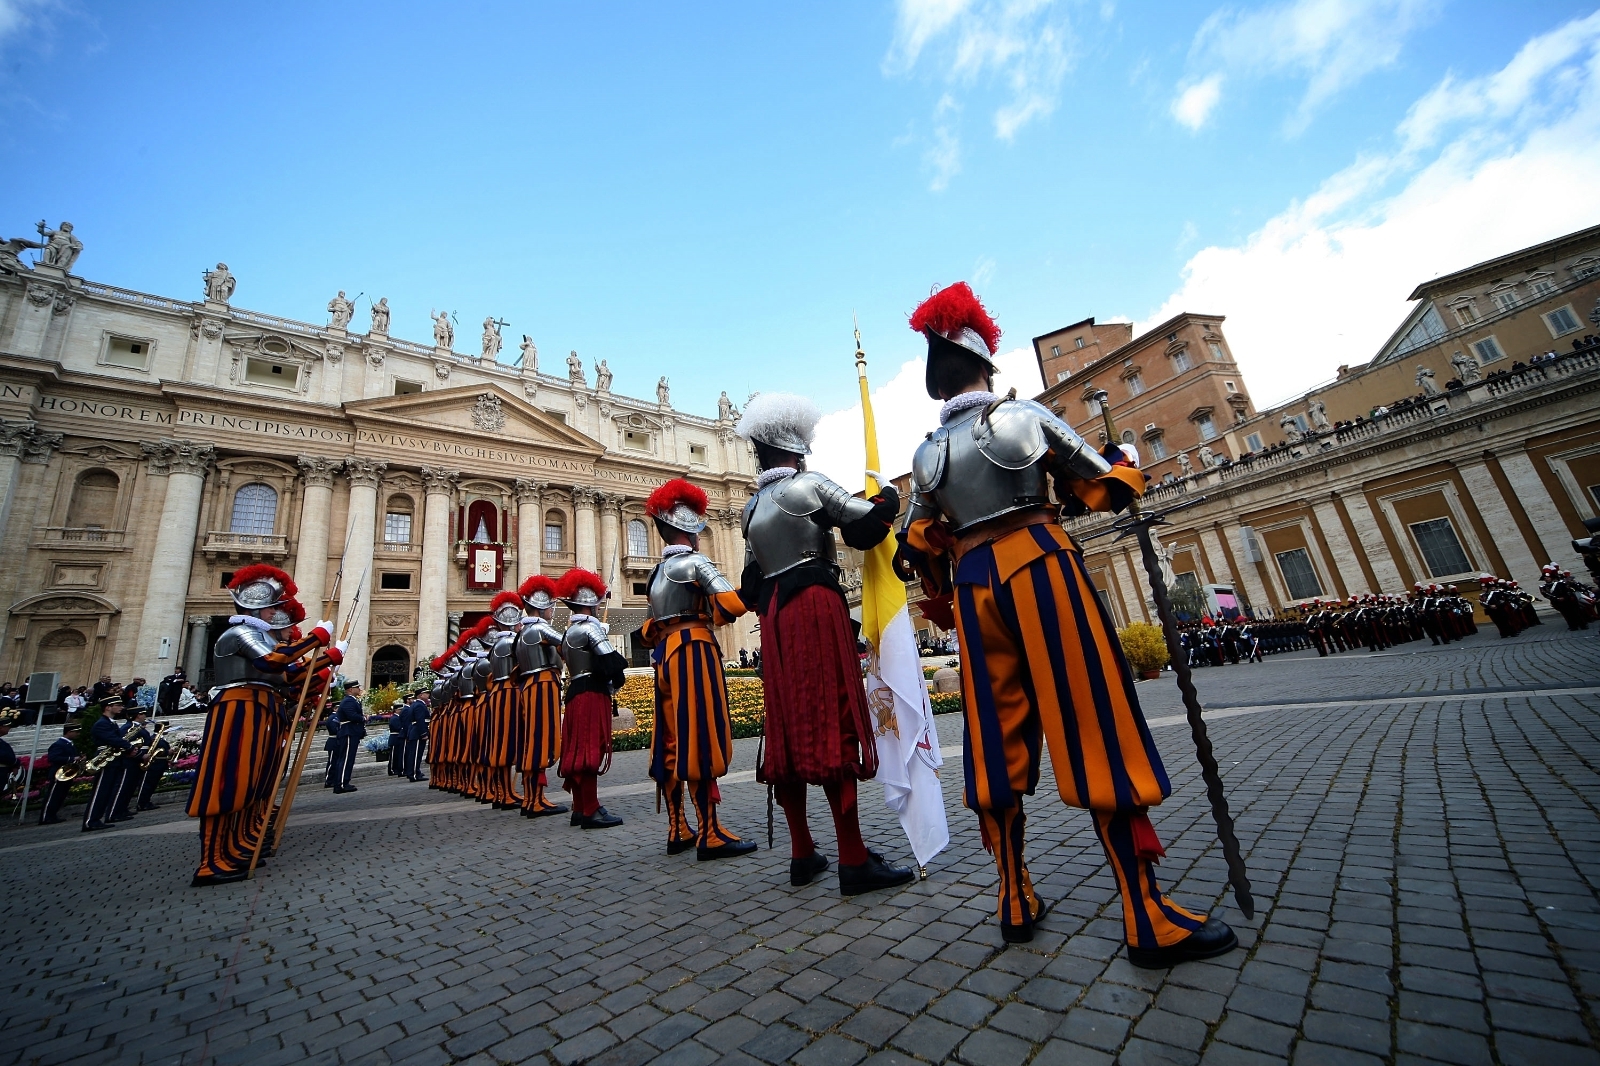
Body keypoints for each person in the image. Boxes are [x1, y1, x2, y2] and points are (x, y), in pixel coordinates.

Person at [895, 281, 1237, 963]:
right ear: (987, 363)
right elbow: (1101, 489)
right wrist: (1125, 467)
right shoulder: (1024, 418)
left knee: (995, 740)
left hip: (973, 589)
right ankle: (1144, 912)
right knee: (1094, 722)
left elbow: (917, 550)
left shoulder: (927, 455)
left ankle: (1013, 894)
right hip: (1041, 568)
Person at [734, 392, 914, 896]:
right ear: (797, 449)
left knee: (788, 727)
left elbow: (749, 585)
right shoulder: (808, 484)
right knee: (833, 718)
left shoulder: (751, 509)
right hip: (814, 605)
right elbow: (867, 524)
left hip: (773, 618)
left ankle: (801, 851)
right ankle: (853, 859)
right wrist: (891, 498)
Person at [189, 567, 342, 886]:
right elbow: (273, 662)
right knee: (229, 783)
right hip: (240, 708)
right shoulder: (240, 633)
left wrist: (326, 664)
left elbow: (288, 678)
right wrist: (317, 641)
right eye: (273, 608)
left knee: (252, 783)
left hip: (261, 707)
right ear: (255, 607)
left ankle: (234, 846)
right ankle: (211, 860)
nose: (277, 615)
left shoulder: (258, 635)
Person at [641, 478, 757, 860]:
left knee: (672, 740)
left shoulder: (656, 574)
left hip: (664, 655)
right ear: (690, 529)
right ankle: (709, 832)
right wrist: (753, 589)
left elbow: (647, 630)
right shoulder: (696, 561)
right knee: (702, 735)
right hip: (694, 649)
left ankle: (678, 826)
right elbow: (730, 606)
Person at [556, 569, 626, 829]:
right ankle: (591, 809)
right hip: (591, 692)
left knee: (576, 749)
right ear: (591, 607)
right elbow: (612, 664)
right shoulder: (589, 630)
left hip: (574, 691)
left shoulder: (568, 632)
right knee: (589, 750)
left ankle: (579, 807)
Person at [515, 575, 566, 815]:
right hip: (543, 685)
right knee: (541, 741)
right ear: (541, 607)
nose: (553, 611)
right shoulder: (540, 628)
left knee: (532, 740)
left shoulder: (522, 632)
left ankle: (532, 798)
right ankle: (534, 800)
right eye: (551, 606)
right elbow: (568, 642)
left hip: (530, 685)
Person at [82, 697, 132, 832]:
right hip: (104, 759)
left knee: (106, 791)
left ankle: (96, 819)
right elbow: (111, 739)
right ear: (108, 707)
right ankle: (90, 821)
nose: (121, 707)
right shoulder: (101, 723)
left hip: (113, 760)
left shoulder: (111, 723)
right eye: (118, 705)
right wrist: (129, 746)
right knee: (100, 791)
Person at [37, 723, 82, 824]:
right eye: (76, 732)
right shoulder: (59, 744)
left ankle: (52, 815)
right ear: (69, 732)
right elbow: (53, 758)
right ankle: (45, 817)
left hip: (66, 774)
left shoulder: (68, 743)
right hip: (58, 774)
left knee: (60, 797)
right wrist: (71, 759)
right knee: (53, 796)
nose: (78, 734)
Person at [329, 681, 366, 794]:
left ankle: (344, 782)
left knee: (348, 758)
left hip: (352, 731)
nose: (359, 689)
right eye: (356, 687)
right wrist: (363, 718)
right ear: (350, 689)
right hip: (349, 731)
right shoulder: (348, 701)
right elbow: (352, 716)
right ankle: (341, 783)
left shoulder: (351, 700)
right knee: (346, 759)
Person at [402, 692, 430, 782]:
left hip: (415, 731)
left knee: (415, 754)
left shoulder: (415, 704)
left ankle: (415, 772)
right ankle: (414, 774)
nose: (428, 695)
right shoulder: (419, 705)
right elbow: (420, 720)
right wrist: (424, 733)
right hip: (418, 732)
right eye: (426, 693)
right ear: (421, 695)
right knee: (415, 755)